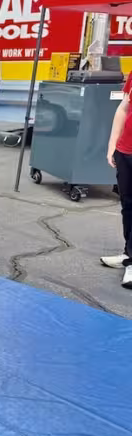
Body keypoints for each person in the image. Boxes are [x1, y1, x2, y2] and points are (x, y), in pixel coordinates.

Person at [103, 71, 132, 288]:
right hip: (126, 151)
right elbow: (123, 108)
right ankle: (128, 253)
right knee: (127, 206)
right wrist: (113, 144)